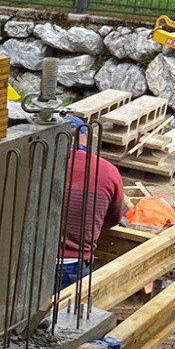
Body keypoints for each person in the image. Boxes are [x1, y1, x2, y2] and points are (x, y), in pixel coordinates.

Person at [58, 115, 125, 291]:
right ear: (86, 138)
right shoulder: (108, 172)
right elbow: (112, 220)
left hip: (30, 262)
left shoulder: (41, 163)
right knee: (70, 315)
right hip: (73, 265)